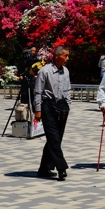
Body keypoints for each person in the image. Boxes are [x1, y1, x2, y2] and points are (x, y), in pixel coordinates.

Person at [32, 46, 72, 181]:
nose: (67, 58)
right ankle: (62, 168)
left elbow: (67, 90)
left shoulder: (65, 71)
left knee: (56, 139)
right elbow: (38, 92)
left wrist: (68, 105)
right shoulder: (45, 71)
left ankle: (44, 168)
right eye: (65, 55)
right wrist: (38, 110)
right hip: (48, 106)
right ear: (57, 56)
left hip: (62, 107)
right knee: (53, 137)